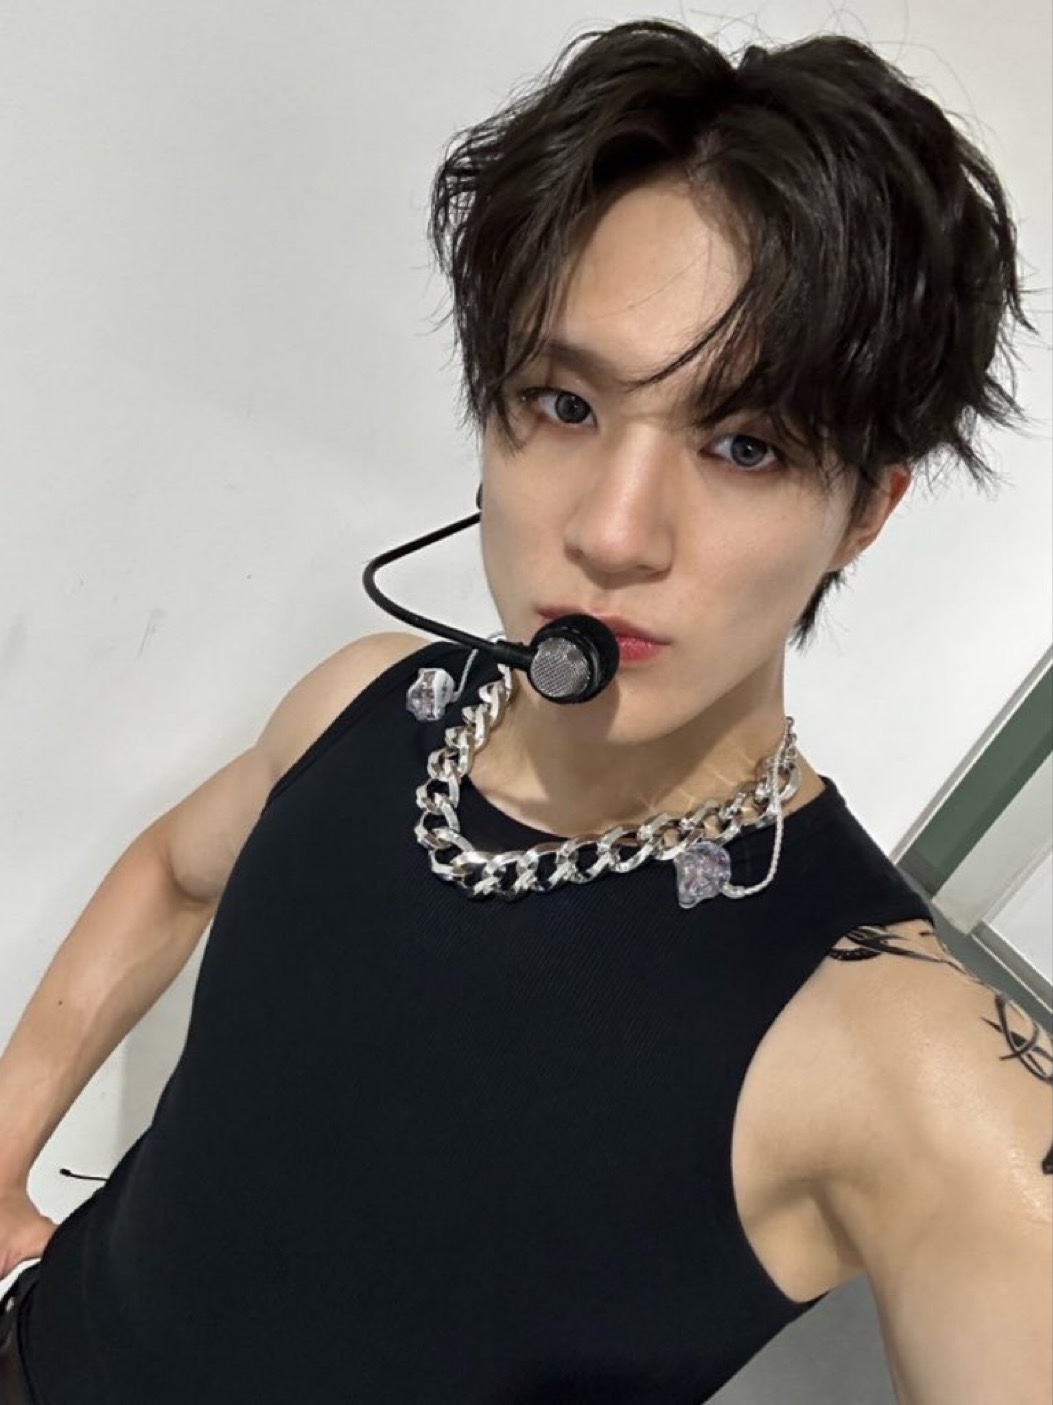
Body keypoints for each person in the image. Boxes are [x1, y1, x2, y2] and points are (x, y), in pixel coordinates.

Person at [1, 18, 1050, 1405]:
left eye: (745, 445)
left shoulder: (900, 1050)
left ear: (865, 510)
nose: (612, 532)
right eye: (562, 404)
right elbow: (170, 873)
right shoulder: (367, 700)